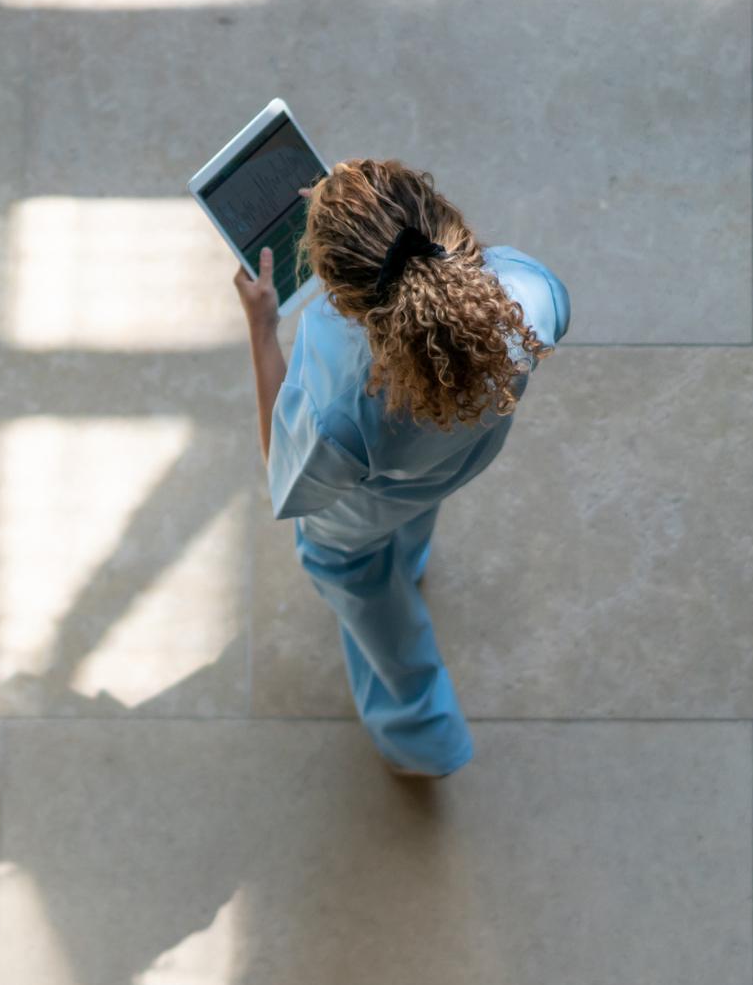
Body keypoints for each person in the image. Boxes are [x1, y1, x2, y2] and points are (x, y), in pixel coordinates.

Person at [232, 159, 569, 778]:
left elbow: (289, 477)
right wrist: (366, 210)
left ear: (342, 298)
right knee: (412, 518)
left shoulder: (339, 395)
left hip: (360, 514)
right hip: (455, 461)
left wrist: (262, 328)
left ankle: (424, 739)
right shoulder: (530, 293)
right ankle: (410, 563)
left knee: (366, 594)